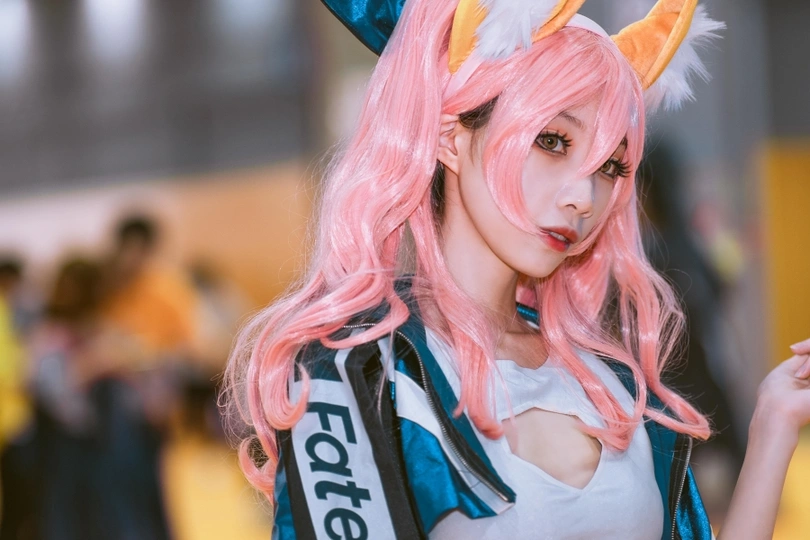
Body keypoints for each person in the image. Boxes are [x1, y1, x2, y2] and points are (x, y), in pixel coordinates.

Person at [225, 1, 810, 538]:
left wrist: (775, 422)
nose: (584, 196)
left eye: (609, 167)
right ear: (451, 137)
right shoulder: (361, 371)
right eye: (553, 141)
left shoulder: (610, 384)